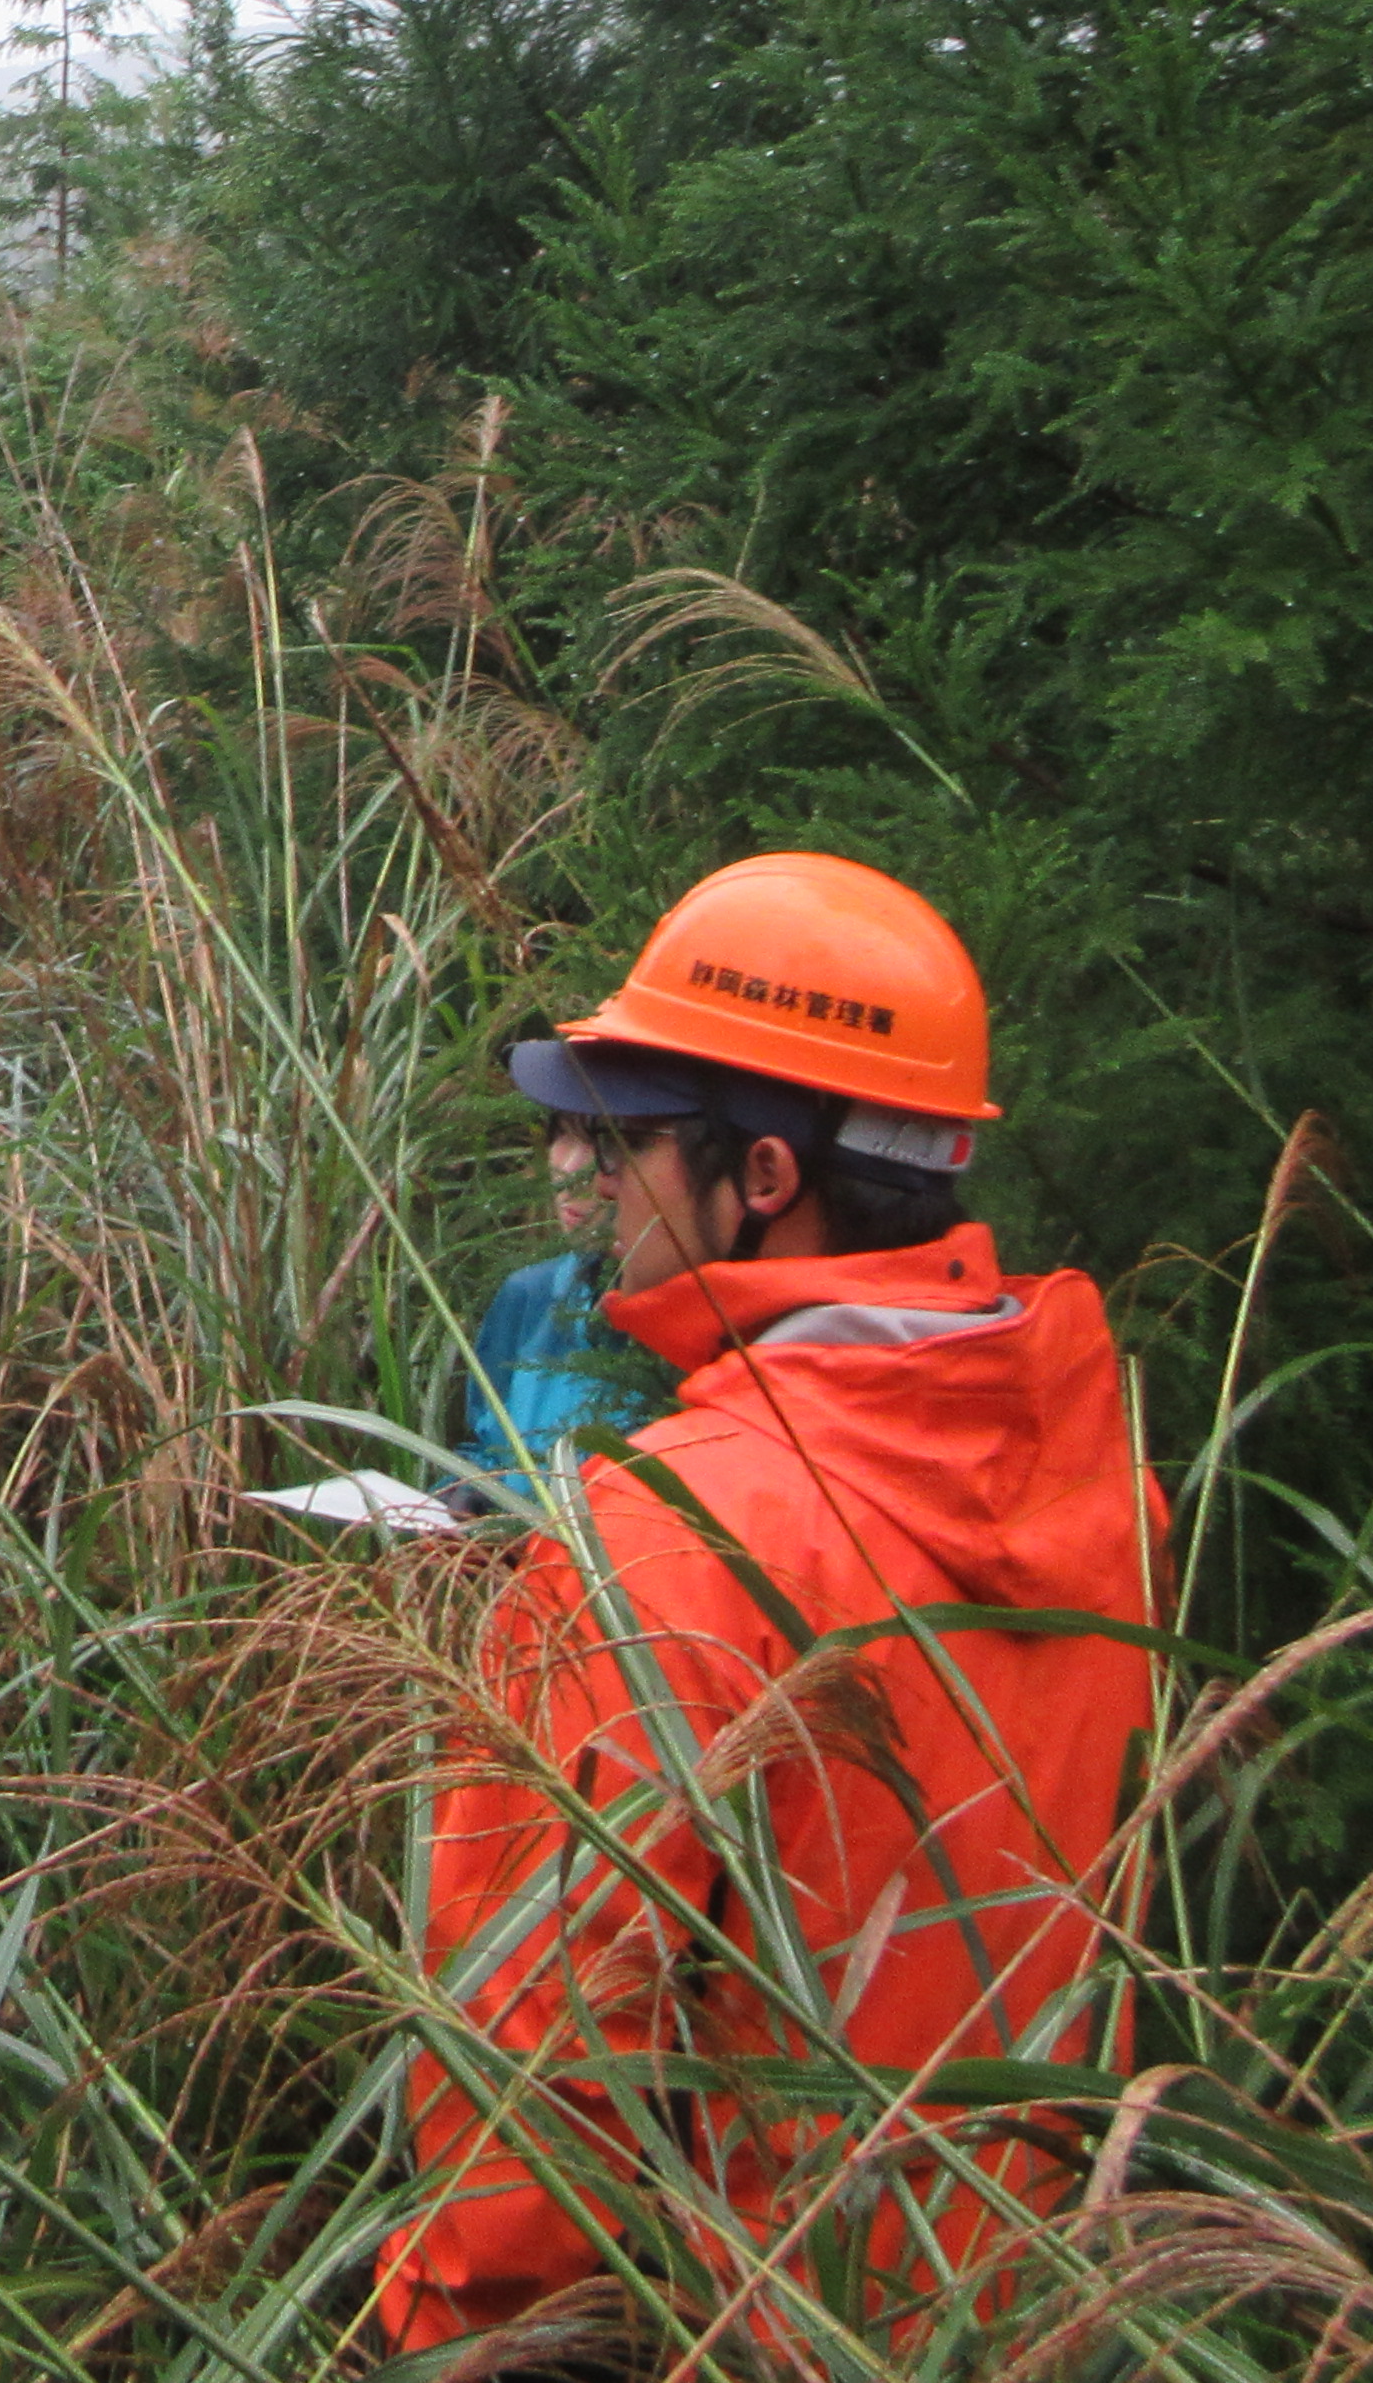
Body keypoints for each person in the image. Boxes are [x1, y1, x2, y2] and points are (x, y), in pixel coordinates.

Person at [378, 855, 1163, 2361]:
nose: (599, 1182)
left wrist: (443, 2343)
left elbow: (535, 2082)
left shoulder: (665, 1533)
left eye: (631, 1139)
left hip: (745, 2330)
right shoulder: (1101, 1482)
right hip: (1022, 2312)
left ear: (765, 1179)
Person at [443, 1121, 639, 1508]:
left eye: (604, 1144)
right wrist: (464, 1497)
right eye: (562, 1135)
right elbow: (489, 1447)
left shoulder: (708, 1332)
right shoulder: (530, 1295)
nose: (570, 1170)